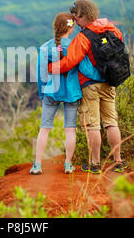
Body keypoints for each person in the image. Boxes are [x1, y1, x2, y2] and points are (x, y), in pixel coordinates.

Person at [48, 0, 127, 174]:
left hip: (90, 86)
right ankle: (118, 161)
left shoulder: (83, 37)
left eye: (76, 17)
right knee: (111, 122)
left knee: (93, 125)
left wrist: (51, 68)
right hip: (110, 81)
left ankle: (95, 164)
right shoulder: (113, 29)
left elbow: (69, 62)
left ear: (82, 15)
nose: (75, 21)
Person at [31, 12, 103, 175]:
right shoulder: (76, 46)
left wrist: (43, 94)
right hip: (71, 92)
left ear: (55, 27)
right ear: (70, 29)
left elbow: (41, 76)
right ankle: (68, 165)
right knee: (70, 129)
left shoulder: (45, 48)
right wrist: (103, 76)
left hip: (51, 92)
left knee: (44, 128)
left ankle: (37, 165)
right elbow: (86, 70)